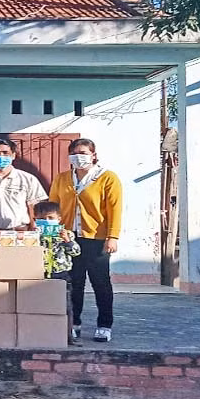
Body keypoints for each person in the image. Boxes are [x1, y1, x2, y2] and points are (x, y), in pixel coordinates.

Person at [49, 138, 123, 343]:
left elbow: (114, 209)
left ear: (93, 155)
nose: (78, 157)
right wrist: (53, 232)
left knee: (101, 282)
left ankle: (104, 324)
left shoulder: (107, 178)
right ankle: (75, 323)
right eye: (74, 153)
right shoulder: (62, 178)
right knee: (74, 282)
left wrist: (112, 236)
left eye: (83, 152)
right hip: (68, 238)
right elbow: (53, 207)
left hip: (97, 239)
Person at [33, 201, 81, 346]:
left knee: (65, 306)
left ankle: (68, 335)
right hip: (39, 276)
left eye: (50, 218)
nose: (47, 222)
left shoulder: (67, 235)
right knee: (41, 305)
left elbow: (76, 252)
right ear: (35, 219)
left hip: (61, 275)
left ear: (59, 219)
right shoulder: (34, 236)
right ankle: (42, 333)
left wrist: (67, 241)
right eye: (42, 219)